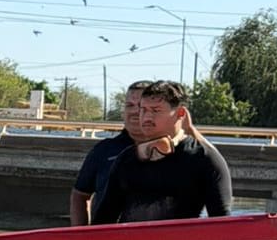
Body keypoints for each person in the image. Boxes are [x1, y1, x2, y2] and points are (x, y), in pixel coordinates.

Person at [91, 80, 232, 224]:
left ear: (180, 113)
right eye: (143, 109)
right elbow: (103, 220)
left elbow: (222, 225)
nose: (146, 117)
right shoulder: (127, 158)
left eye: (156, 110)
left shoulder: (203, 158)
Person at [69, 80, 152, 226]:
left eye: (140, 106)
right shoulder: (104, 150)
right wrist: (80, 235)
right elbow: (80, 195)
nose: (134, 111)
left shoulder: (175, 151)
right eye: (129, 106)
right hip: (108, 239)